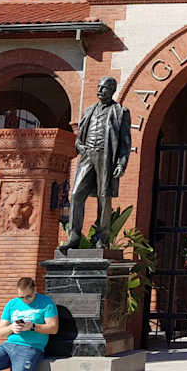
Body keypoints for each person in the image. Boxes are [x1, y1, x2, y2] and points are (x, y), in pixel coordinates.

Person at [61, 76, 132, 250]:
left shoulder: (120, 112)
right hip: (87, 156)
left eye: (104, 88)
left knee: (103, 197)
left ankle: (101, 238)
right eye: (99, 87)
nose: (99, 90)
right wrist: (80, 146)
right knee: (76, 194)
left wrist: (121, 164)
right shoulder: (89, 111)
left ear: (112, 90)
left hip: (106, 158)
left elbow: (125, 143)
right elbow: (79, 139)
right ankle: (74, 237)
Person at [0, 277, 58, 371]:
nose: (25, 300)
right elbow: (1, 332)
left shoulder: (46, 302)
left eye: (28, 296)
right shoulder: (11, 304)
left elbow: (53, 328)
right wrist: (12, 327)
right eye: (21, 297)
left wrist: (32, 326)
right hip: (9, 345)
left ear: (35, 290)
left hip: (31, 347)